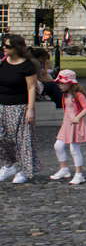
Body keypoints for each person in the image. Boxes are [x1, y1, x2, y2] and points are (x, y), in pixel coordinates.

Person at [0, 34, 40, 184]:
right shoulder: (3, 62)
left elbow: (31, 88)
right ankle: (9, 164)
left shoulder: (27, 66)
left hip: (20, 107)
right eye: (4, 45)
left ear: (16, 48)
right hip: (2, 105)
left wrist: (30, 109)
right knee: (2, 138)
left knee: (22, 140)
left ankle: (24, 169)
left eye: (8, 46)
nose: (4, 48)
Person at [49, 70, 86, 185]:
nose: (60, 85)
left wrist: (78, 117)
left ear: (70, 83)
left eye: (62, 83)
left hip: (76, 125)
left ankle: (79, 174)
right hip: (67, 125)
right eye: (59, 83)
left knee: (74, 150)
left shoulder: (78, 95)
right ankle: (64, 169)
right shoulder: (65, 95)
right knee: (58, 146)